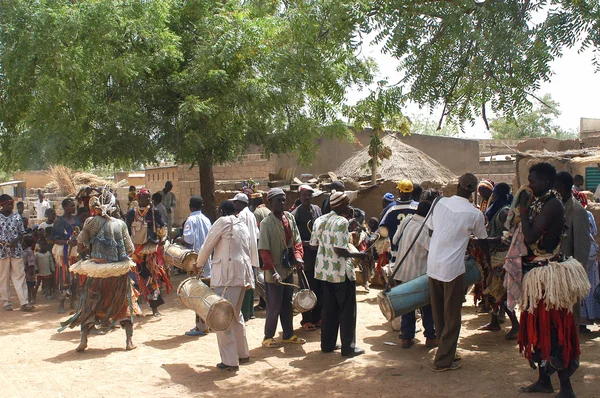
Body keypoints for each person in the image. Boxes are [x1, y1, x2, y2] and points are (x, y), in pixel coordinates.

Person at [510, 163, 589, 397]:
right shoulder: (542, 201)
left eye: (532, 180)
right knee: (539, 328)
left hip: (548, 275)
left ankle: (567, 388)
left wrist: (523, 212)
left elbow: (533, 235)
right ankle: (544, 381)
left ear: (545, 182)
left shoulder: (552, 205)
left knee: (553, 330)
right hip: (538, 273)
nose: (529, 184)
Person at [60, 195, 140, 352]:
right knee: (124, 303)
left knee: (89, 304)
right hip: (118, 273)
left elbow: (80, 247)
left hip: (98, 272)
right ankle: (129, 341)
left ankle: (83, 339)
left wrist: (92, 249)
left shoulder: (90, 222)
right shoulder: (121, 224)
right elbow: (130, 249)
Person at [426, 173, 488, 372]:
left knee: (439, 313)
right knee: (452, 316)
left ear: (457, 185)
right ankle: (443, 361)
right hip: (452, 268)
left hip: (433, 264)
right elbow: (483, 240)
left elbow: (430, 230)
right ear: (474, 191)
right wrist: (487, 260)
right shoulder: (475, 213)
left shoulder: (439, 203)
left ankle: (446, 350)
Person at [195, 200, 254, 370]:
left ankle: (229, 361)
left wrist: (198, 264)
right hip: (242, 275)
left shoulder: (222, 222)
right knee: (236, 315)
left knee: (222, 317)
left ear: (221, 210)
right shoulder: (242, 224)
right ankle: (243, 354)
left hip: (227, 275)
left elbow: (208, 245)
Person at [311, 191, 367, 357]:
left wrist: (326, 248)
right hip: (341, 272)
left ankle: (327, 344)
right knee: (347, 311)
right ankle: (348, 348)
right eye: (347, 203)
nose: (349, 206)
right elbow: (340, 250)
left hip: (324, 272)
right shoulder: (342, 222)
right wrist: (358, 255)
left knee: (329, 310)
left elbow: (314, 245)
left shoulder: (320, 220)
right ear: (341, 205)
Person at [258, 188, 306, 348]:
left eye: (284, 200)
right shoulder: (266, 223)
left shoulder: (290, 218)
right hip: (274, 271)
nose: (283, 203)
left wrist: (298, 257)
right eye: (279, 200)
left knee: (287, 303)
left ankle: (288, 334)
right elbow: (264, 250)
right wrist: (273, 272)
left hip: (287, 269)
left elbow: (297, 241)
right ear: (270, 203)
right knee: (274, 305)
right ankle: (268, 336)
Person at [477, 183, 520, 339]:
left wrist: (487, 241)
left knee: (500, 291)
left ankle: (516, 325)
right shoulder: (496, 209)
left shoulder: (504, 212)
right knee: (492, 289)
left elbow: (508, 237)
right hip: (493, 256)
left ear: (496, 194)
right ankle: (494, 321)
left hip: (501, 257)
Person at [392, 201, 436, 349]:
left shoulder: (406, 220)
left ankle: (406, 337)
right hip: (419, 274)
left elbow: (394, 240)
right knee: (428, 306)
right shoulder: (426, 229)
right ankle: (430, 336)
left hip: (401, 270)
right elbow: (432, 251)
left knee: (408, 305)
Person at [127, 188, 170, 317]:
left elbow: (163, 228)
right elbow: (127, 231)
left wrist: (163, 239)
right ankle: (134, 309)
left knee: (152, 278)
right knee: (135, 279)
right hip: (136, 251)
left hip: (151, 250)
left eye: (149, 197)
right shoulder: (131, 214)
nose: (148, 200)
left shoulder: (154, 212)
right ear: (138, 199)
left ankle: (154, 309)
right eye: (145, 197)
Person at [177, 195, 212, 336]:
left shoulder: (190, 220)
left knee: (197, 294)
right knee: (207, 293)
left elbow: (189, 239)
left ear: (190, 206)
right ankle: (207, 323)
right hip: (208, 260)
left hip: (195, 261)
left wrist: (180, 239)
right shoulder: (207, 220)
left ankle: (201, 327)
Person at [291, 185, 323, 330]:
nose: (307, 198)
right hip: (304, 257)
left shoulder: (317, 210)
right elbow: (293, 238)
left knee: (318, 287)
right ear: (300, 196)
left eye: (309, 195)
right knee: (305, 289)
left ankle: (318, 318)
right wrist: (308, 244)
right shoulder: (295, 214)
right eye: (304, 195)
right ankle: (307, 320)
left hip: (318, 256)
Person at [0, 195, 34, 312]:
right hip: (2, 252)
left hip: (16, 251)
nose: (11, 206)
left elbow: (22, 233)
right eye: (8, 204)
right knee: (3, 277)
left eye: (12, 204)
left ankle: (24, 302)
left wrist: (17, 239)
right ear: (2, 205)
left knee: (19, 276)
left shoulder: (17, 217)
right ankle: (6, 302)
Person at [51, 198, 83, 313]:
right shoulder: (59, 221)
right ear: (64, 207)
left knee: (75, 278)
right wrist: (67, 242)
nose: (73, 208)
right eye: (70, 206)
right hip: (63, 251)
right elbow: (53, 239)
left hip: (74, 251)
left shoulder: (76, 220)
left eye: (74, 206)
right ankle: (61, 303)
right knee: (63, 277)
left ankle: (74, 300)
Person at [232, 193, 260, 322]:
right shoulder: (251, 214)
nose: (234, 204)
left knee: (245, 282)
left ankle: (246, 312)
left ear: (242, 203)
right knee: (250, 279)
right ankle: (251, 310)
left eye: (236, 202)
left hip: (244, 251)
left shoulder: (242, 216)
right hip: (252, 250)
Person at [379, 179, 418, 263]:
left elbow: (382, 230)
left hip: (396, 253)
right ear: (411, 192)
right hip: (415, 252)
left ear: (400, 191)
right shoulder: (418, 207)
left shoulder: (391, 208)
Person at [35, 235, 55, 300]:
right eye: (42, 245)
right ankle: (33, 296)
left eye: (45, 245)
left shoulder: (48, 253)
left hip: (47, 271)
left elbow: (51, 261)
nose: (44, 247)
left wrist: (53, 269)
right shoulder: (37, 254)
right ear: (40, 246)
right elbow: (35, 263)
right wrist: (36, 269)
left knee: (47, 284)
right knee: (37, 284)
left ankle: (47, 295)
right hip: (40, 272)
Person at [22, 235, 37, 305]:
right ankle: (29, 298)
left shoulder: (29, 251)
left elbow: (31, 262)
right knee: (28, 286)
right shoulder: (26, 250)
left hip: (29, 272)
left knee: (30, 286)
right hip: (26, 271)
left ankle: (32, 298)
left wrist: (31, 271)